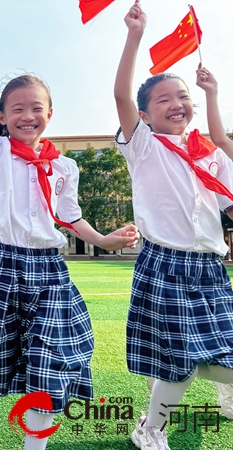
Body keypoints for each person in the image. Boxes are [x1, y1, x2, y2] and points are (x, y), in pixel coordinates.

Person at [0, 3, 139, 449]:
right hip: (2, 268)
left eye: (36, 108)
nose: (27, 115)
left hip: (50, 272)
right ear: (4, 116)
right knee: (1, 368)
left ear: (51, 113)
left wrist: (104, 239)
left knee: (48, 369)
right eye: (16, 109)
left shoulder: (65, 166)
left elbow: (69, 218)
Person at [114, 2, 233, 449]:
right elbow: (123, 97)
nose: (176, 104)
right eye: (163, 99)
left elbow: (230, 202)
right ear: (145, 116)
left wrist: (213, 93)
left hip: (211, 269)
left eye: (182, 96)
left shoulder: (209, 155)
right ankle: (150, 429)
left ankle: (217, 385)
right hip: (165, 264)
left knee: (209, 358)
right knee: (177, 362)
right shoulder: (144, 147)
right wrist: (134, 35)